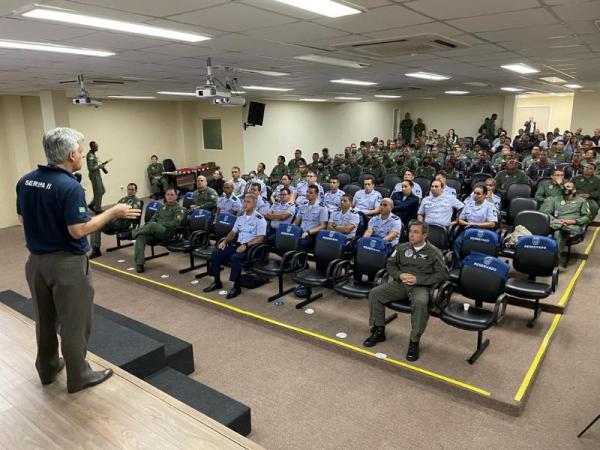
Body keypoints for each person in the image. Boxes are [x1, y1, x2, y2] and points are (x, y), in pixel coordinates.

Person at [16, 127, 141, 393]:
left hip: (35, 262)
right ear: (71, 154)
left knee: (45, 319)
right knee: (74, 321)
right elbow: (78, 229)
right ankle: (79, 375)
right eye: (81, 151)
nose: (83, 155)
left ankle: (48, 369)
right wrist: (113, 212)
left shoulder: (26, 181)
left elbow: (23, 219)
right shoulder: (69, 186)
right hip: (66, 265)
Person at [363, 221, 449, 361]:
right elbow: (390, 264)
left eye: (416, 232)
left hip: (420, 287)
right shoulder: (402, 247)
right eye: (410, 231)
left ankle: (414, 341)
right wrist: (399, 275)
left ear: (424, 235)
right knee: (375, 293)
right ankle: (378, 330)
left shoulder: (434, 252)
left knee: (421, 303)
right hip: (400, 284)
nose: (411, 235)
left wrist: (419, 279)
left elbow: (443, 275)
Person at [203, 194, 267, 299]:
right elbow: (233, 233)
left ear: (255, 205)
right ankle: (217, 281)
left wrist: (246, 245)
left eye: (248, 202)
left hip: (251, 248)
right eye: (244, 201)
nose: (245, 204)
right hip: (237, 245)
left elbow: (260, 238)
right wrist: (224, 241)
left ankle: (236, 287)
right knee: (216, 253)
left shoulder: (260, 219)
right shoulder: (240, 218)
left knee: (235, 257)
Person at [132, 188, 186, 272]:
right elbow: (153, 219)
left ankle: (132, 233)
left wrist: (160, 224)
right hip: (155, 232)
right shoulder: (162, 207)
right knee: (141, 236)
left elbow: (175, 224)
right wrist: (157, 224)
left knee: (153, 225)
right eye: (168, 195)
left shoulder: (179, 209)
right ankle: (139, 264)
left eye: (172, 195)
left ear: (176, 196)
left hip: (167, 233)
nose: (169, 197)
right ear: (165, 196)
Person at [89, 182, 143, 259]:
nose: (130, 191)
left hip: (124, 224)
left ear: (136, 191)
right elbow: (114, 210)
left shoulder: (137, 201)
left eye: (132, 189)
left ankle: (95, 248)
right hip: (114, 222)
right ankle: (95, 249)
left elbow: (133, 215)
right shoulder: (122, 199)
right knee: (96, 225)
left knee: (99, 221)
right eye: (129, 189)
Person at [452, 185, 498, 267]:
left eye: (478, 194)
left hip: (484, 231)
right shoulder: (468, 204)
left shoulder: (490, 206)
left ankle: (480, 266)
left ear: (484, 195)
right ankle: (458, 265)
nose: (475, 195)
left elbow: (492, 223)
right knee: (457, 243)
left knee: (478, 247)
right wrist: (468, 224)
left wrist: (473, 224)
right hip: (468, 229)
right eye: (474, 193)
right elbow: (460, 220)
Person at [540, 181, 590, 254]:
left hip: (573, 225)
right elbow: (545, 213)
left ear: (574, 190)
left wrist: (574, 221)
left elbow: (587, 217)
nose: (565, 189)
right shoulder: (555, 199)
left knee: (558, 232)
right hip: (557, 222)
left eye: (568, 187)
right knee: (555, 230)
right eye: (564, 187)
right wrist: (555, 220)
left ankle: (555, 258)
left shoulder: (582, 201)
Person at [293, 185, 328, 251]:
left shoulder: (322, 208)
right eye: (307, 192)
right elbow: (296, 222)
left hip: (312, 234)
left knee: (299, 243)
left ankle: (299, 260)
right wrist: (291, 229)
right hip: (300, 232)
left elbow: (323, 226)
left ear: (317, 194)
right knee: (287, 239)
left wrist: (308, 232)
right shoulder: (303, 206)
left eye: (311, 192)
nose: (307, 194)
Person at [86, 141, 108, 213]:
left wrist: (101, 166)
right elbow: (90, 168)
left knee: (102, 191)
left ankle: (92, 205)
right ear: (92, 147)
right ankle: (98, 209)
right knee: (97, 192)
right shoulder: (90, 156)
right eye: (96, 146)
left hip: (97, 175)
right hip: (94, 176)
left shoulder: (94, 155)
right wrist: (99, 166)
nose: (97, 147)